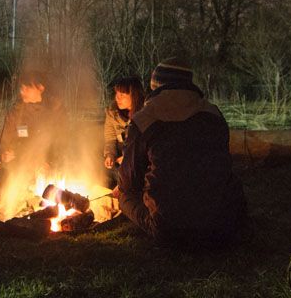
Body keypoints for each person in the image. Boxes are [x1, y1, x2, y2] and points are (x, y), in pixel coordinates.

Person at [117, 58, 247, 249]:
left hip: (171, 229)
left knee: (124, 195)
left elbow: (128, 181)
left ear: (156, 86)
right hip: (224, 224)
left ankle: (164, 221)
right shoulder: (213, 114)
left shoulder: (145, 118)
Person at [0, 70, 71, 168]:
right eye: (21, 88)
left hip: (50, 166)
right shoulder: (17, 112)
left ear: (40, 88)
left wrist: (51, 161)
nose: (22, 91)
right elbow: (2, 136)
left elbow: (63, 140)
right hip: (22, 166)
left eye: (27, 88)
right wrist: (3, 152)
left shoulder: (56, 109)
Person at [103, 76, 145, 171]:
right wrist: (110, 155)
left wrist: (129, 158)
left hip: (139, 163)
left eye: (122, 95)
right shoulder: (112, 114)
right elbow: (110, 139)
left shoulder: (145, 115)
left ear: (134, 96)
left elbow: (146, 146)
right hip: (119, 161)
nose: (117, 98)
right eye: (116, 94)